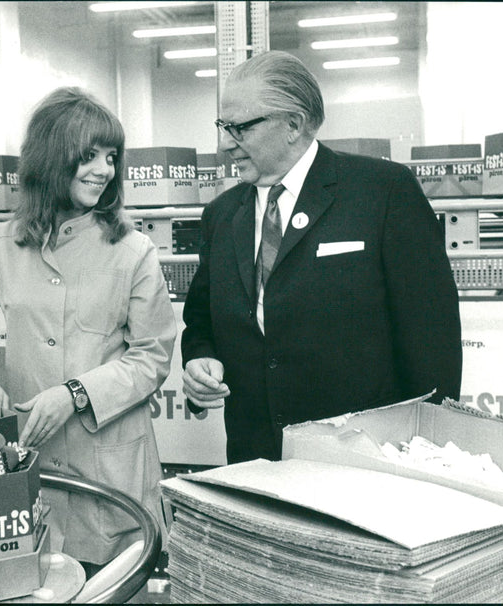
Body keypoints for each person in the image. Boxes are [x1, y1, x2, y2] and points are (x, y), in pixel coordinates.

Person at [181, 51, 462, 465]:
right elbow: (202, 321)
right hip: (255, 461)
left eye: (239, 128)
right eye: (223, 126)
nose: (225, 143)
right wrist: (200, 360)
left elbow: (431, 341)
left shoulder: (382, 193)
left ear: (294, 124)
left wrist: (428, 456)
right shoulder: (221, 215)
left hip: (363, 463)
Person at [0, 87, 177, 573]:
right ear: (50, 157)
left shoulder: (133, 250)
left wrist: (75, 394)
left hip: (110, 467)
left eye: (110, 156)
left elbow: (152, 357)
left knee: (112, 582)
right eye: (88, 155)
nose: (103, 169)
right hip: (29, 462)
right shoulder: (0, 243)